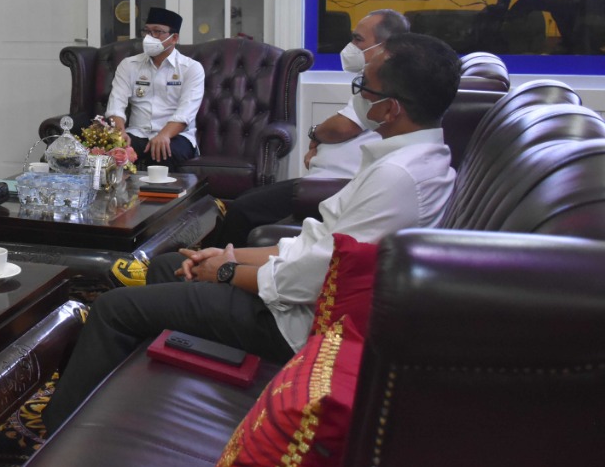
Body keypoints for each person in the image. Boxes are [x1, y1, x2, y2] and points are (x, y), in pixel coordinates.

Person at [43, 33, 460, 432]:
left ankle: (57, 431)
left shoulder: (396, 178)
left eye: (364, 88)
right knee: (168, 265)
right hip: (291, 294)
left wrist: (226, 273)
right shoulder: (418, 158)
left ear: (390, 109)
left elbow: (315, 278)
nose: (358, 96)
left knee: (113, 309)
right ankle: (133, 403)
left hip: (290, 323)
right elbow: (315, 245)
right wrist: (229, 257)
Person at [204, 9, 410, 248]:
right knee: (245, 200)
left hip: (334, 185)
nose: (350, 47)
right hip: (321, 179)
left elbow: (343, 127)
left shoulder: (385, 88)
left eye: (358, 40)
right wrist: (319, 142)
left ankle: (217, 262)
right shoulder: (371, 80)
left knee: (243, 209)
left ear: (386, 46)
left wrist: (316, 134)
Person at [103, 7, 204, 172]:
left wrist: (164, 135)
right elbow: (116, 104)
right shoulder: (129, 65)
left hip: (176, 136)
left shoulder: (191, 68)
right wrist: (119, 133)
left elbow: (185, 112)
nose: (150, 37)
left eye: (157, 32)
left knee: (163, 152)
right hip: (137, 133)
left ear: (174, 38)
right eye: (147, 31)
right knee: (114, 151)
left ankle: (161, 191)